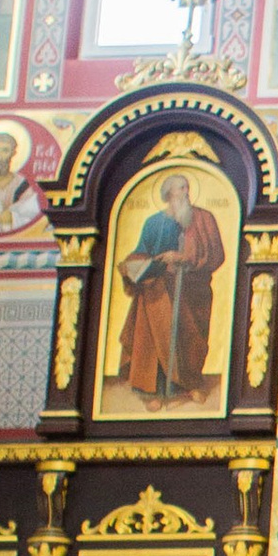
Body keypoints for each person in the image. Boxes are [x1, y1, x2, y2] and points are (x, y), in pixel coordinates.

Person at [110, 170, 228, 404]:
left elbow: (217, 253)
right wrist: (130, 266)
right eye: (181, 188)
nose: (186, 192)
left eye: (187, 187)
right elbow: (142, 251)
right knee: (155, 336)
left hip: (192, 289)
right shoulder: (153, 223)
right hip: (158, 287)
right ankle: (154, 392)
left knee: (191, 338)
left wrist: (184, 257)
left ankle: (191, 384)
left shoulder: (204, 218)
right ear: (169, 194)